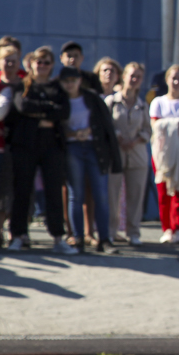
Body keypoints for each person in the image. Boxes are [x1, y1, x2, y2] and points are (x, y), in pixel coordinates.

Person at [5, 48, 71, 253]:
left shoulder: (58, 88)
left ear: (52, 66)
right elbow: (23, 106)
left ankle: (58, 237)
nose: (42, 66)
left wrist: (39, 113)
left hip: (51, 146)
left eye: (46, 62)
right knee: (22, 191)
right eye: (38, 62)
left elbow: (63, 111)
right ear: (31, 64)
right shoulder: (22, 86)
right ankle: (18, 235)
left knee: (53, 191)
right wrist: (47, 112)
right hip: (25, 145)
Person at [59, 66, 123, 254]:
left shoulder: (92, 98)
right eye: (66, 81)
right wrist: (72, 133)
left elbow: (106, 126)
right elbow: (55, 128)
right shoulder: (59, 101)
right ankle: (78, 238)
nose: (70, 84)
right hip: (72, 149)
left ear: (79, 81)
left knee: (101, 195)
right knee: (75, 195)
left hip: (94, 148)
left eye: (73, 80)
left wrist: (90, 132)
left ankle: (104, 239)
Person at [150, 65, 179, 244]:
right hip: (162, 152)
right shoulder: (158, 102)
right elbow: (156, 127)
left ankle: (178, 228)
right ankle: (167, 228)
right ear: (167, 80)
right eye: (173, 78)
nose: (176, 82)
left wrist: (170, 125)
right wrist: (177, 125)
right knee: (163, 191)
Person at [106, 62, 151, 246]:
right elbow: (105, 126)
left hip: (137, 154)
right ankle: (110, 231)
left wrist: (137, 139)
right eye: (131, 76)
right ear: (123, 76)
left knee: (136, 195)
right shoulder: (111, 102)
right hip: (115, 154)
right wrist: (118, 136)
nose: (134, 80)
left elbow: (149, 130)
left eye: (138, 77)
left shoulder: (142, 105)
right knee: (112, 195)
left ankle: (133, 232)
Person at [0, 44, 20, 247]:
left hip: (18, 145)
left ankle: (15, 229)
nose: (9, 64)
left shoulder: (24, 84)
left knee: (11, 190)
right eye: (6, 59)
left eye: (13, 60)